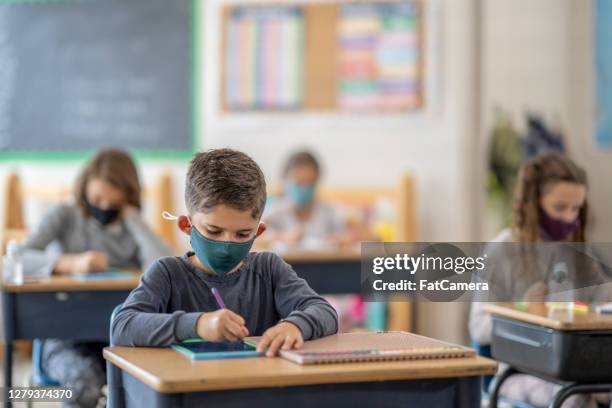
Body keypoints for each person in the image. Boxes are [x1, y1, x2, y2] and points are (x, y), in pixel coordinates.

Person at [111, 148, 338, 357]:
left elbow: (324, 311)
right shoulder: (167, 274)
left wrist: (295, 325)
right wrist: (198, 325)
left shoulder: (269, 269)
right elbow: (123, 326)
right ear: (186, 226)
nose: (226, 245)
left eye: (242, 234)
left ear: (258, 232)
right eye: (214, 230)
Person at [20, 148, 173, 408]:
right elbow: (17, 258)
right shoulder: (65, 216)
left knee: (147, 383)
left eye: (112, 203)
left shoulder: (131, 226)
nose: (103, 207)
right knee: (84, 385)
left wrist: (134, 220)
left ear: (127, 197)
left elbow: (166, 267)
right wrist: (69, 262)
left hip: (117, 337)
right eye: (97, 198)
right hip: (65, 335)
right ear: (85, 188)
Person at [470, 153, 608, 408]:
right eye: (559, 208)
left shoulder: (577, 251)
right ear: (532, 203)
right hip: (516, 372)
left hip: (575, 367)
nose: (569, 218)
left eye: (576, 209)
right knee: (575, 398)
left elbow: (603, 299)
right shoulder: (500, 250)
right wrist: (522, 311)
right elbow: (478, 327)